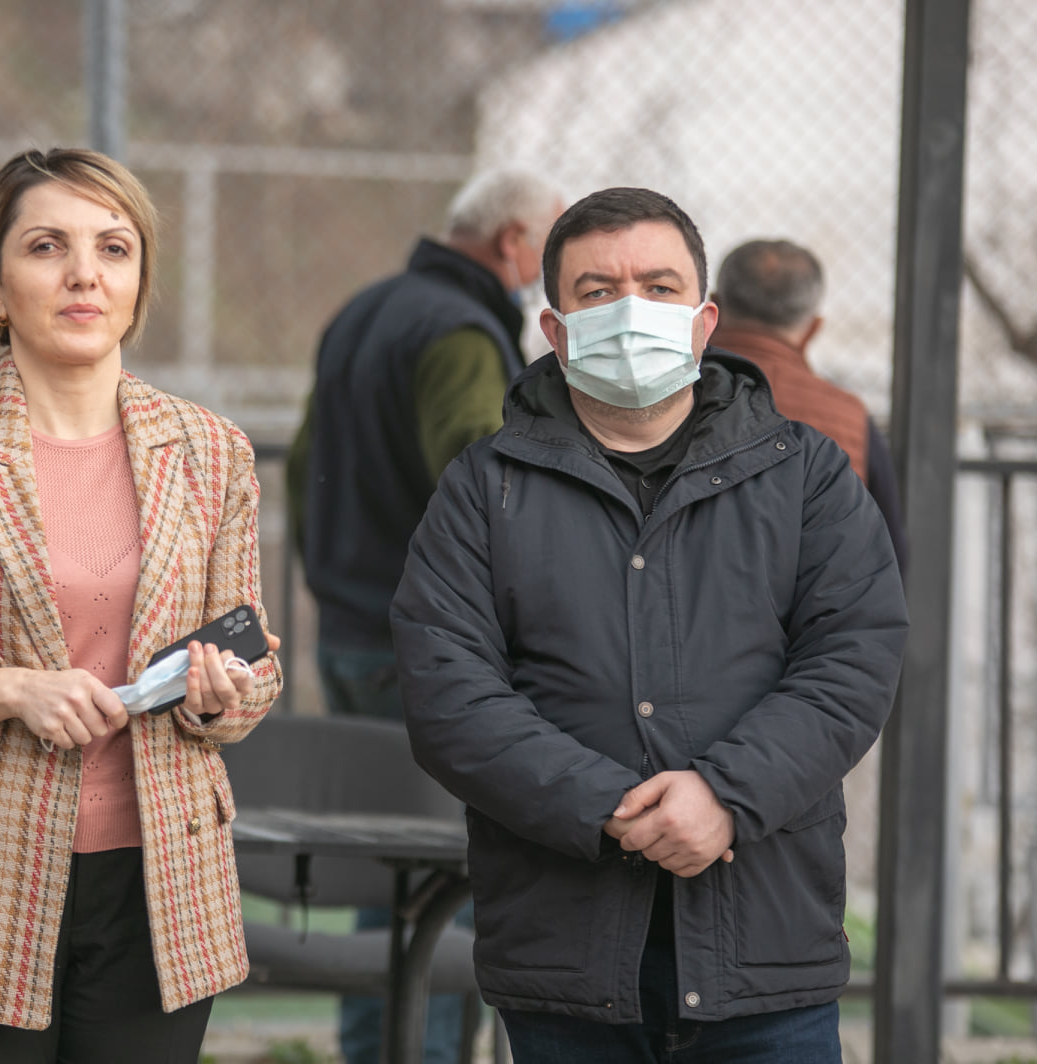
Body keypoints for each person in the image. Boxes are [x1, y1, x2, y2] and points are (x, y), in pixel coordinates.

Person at [391, 187, 908, 1063]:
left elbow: (853, 660)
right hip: (566, 953)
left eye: (659, 287)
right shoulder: (484, 489)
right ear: (555, 330)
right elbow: (449, 694)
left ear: (704, 321)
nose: (631, 311)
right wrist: (603, 806)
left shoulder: (805, 476)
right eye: (598, 291)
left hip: (765, 950)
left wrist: (726, 797)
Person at [0, 147, 283, 1064]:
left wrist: (221, 695)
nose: (84, 274)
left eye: (113, 248)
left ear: (138, 282)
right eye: (46, 246)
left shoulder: (211, 451)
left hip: (163, 886)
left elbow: (251, 666)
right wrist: (8, 691)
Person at [284, 167, 562, 1064]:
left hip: (352, 630)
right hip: (429, 646)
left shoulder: (365, 311)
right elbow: (483, 482)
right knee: (445, 874)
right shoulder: (462, 335)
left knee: (383, 867)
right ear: (513, 242)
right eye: (549, 249)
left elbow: (304, 466)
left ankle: (377, 1052)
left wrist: (332, 582)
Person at [710, 238, 908, 570]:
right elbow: (888, 552)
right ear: (813, 328)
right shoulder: (850, 417)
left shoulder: (671, 394)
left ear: (713, 307)